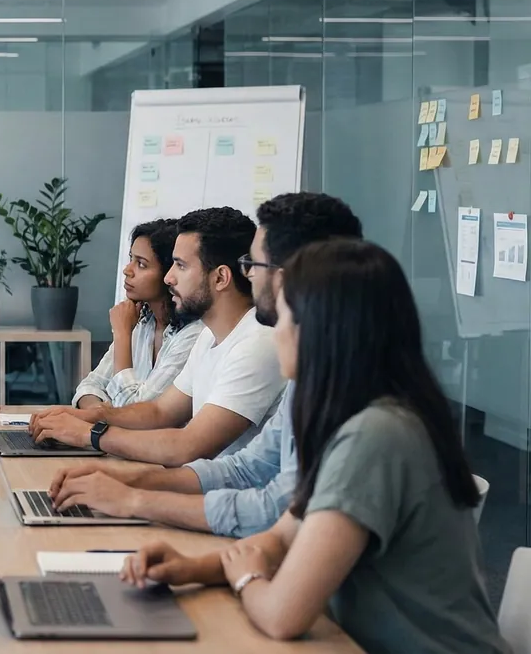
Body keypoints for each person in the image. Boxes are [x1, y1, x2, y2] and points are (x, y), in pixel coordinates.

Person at [119, 239, 510, 654]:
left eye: (284, 316)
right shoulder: (350, 411)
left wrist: (246, 578)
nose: (274, 330)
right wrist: (193, 568)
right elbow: (286, 535)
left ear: (321, 330)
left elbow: (282, 615)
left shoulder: (375, 435)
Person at [49, 193, 362, 537]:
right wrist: (121, 469)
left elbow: (201, 455)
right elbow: (175, 423)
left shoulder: (264, 344)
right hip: (228, 521)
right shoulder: (289, 366)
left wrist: (129, 488)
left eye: (254, 266)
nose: (169, 278)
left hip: (232, 524)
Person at [30, 207, 284, 466]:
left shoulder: (256, 344)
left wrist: (88, 434)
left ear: (220, 278)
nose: (168, 277)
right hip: (202, 488)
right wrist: (84, 417)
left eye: (181, 266)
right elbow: (159, 411)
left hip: (223, 497)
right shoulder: (210, 336)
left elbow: (187, 447)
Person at [71, 219, 203, 409]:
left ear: (169, 273)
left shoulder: (193, 334)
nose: (127, 270)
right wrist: (99, 413)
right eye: (131, 258)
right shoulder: (141, 320)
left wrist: (122, 334)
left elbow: (138, 412)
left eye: (141, 264)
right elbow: (90, 386)